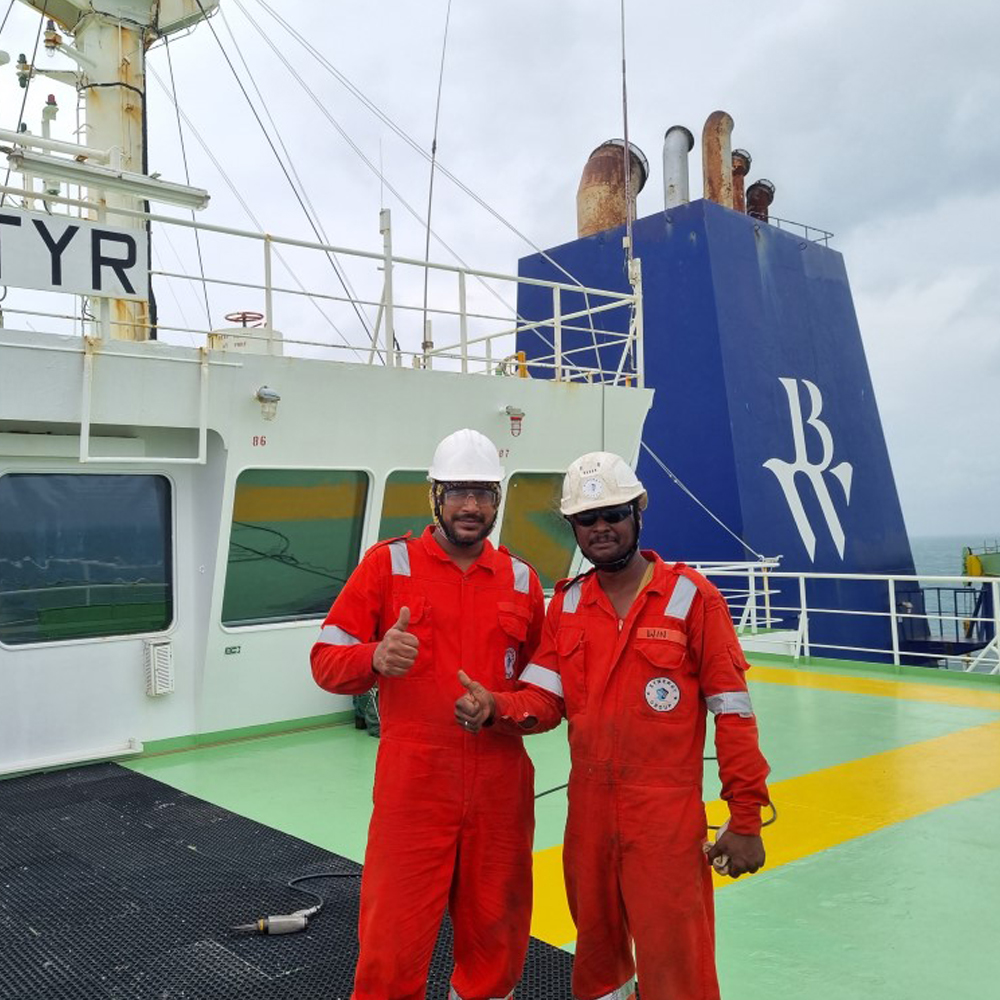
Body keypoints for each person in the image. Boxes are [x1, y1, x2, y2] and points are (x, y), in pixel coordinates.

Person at [455, 451, 770, 1000]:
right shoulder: (569, 605)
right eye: (586, 519)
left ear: (637, 514)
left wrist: (745, 818)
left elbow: (734, 713)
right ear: (573, 527)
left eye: (613, 515)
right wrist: (495, 708)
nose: (601, 529)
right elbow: (544, 700)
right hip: (589, 817)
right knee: (597, 960)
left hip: (664, 820)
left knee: (677, 962)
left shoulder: (692, 598)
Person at [310, 428, 545, 1000]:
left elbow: (546, 695)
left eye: (484, 493)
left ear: (498, 500)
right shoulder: (386, 565)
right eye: (459, 492)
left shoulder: (523, 580)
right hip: (414, 788)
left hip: (499, 788)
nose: (472, 506)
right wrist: (375, 656)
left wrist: (498, 707)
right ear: (434, 496)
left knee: (498, 940)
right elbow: (325, 661)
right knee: (391, 947)